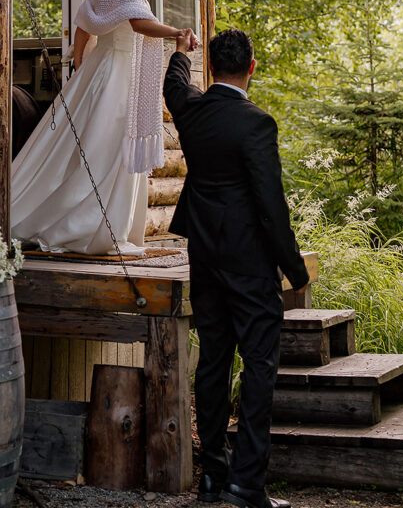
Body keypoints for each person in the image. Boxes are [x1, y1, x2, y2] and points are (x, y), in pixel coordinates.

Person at [164, 28, 309, 508]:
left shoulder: (192, 111)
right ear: (251, 68)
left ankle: (213, 476)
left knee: (213, 364)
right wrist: (295, 268)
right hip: (249, 266)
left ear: (212, 68)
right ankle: (246, 485)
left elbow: (174, 87)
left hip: (204, 258)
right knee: (260, 367)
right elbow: (271, 206)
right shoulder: (256, 123)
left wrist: (181, 54)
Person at [11, 0, 198, 254]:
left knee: (106, 150)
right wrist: (178, 33)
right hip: (114, 72)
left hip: (110, 70)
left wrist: (82, 66)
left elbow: (85, 20)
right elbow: (137, 23)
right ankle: (91, 229)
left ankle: (109, 228)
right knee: (104, 151)